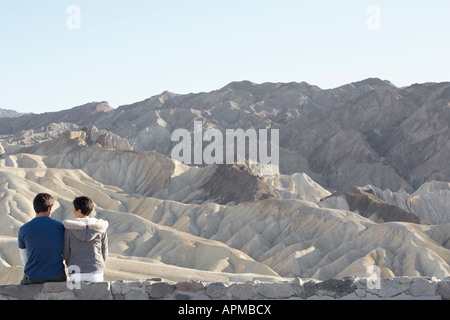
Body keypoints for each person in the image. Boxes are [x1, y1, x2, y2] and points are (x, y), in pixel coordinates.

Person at [18, 193, 66, 285]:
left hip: (33, 277)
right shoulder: (61, 227)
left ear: (35, 208)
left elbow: (24, 259)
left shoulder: (23, 229)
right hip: (57, 276)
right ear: (49, 208)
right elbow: (65, 252)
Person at [63, 196, 108, 283]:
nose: (73, 211)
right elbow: (104, 252)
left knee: (75, 296)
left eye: (74, 209)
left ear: (79, 211)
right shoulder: (100, 228)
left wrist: (71, 264)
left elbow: (66, 252)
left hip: (75, 270)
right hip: (96, 271)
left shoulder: (69, 228)